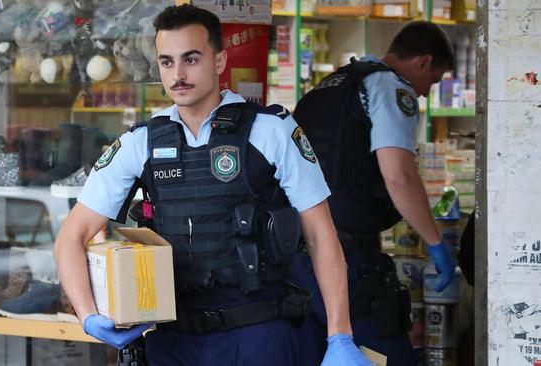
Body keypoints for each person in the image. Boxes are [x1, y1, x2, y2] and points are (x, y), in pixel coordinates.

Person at [54, 4, 372, 366]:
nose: (178, 74)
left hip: (257, 336)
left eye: (191, 59)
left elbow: (321, 237)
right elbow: (72, 236)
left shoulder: (271, 131)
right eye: (167, 62)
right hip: (173, 343)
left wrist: (340, 336)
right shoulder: (140, 142)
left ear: (219, 62)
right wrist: (88, 315)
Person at [290, 21, 458, 366]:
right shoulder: (390, 87)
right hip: (349, 260)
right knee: (384, 354)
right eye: (434, 80)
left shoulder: (332, 84)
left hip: (297, 257)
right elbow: (398, 176)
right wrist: (436, 242)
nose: (427, 92)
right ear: (423, 62)